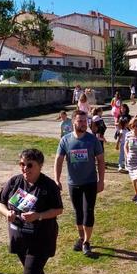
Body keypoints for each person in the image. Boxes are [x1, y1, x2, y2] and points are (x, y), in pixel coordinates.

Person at [0, 149, 63, 274]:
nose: (25, 169)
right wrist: (6, 213)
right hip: (19, 238)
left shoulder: (48, 186)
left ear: (39, 166)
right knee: (34, 271)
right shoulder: (15, 182)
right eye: (22, 164)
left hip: (41, 239)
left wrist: (38, 216)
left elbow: (58, 209)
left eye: (30, 165)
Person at [55, 110, 105, 257]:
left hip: (90, 182)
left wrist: (101, 181)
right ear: (73, 123)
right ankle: (81, 237)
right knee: (78, 212)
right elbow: (58, 160)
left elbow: (101, 161)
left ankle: (86, 242)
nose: (84, 124)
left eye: (85, 121)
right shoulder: (65, 140)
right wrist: (57, 179)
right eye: (80, 121)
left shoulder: (92, 140)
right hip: (73, 183)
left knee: (88, 211)